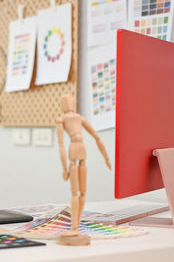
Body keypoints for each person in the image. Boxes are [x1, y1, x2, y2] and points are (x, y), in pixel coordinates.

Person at [55, 94, 111, 245]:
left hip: (81, 150)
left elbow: (96, 137)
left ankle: (76, 225)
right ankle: (74, 226)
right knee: (75, 192)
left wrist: (106, 158)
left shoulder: (79, 118)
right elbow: (60, 144)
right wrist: (64, 167)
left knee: (83, 192)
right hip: (73, 152)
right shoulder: (61, 119)